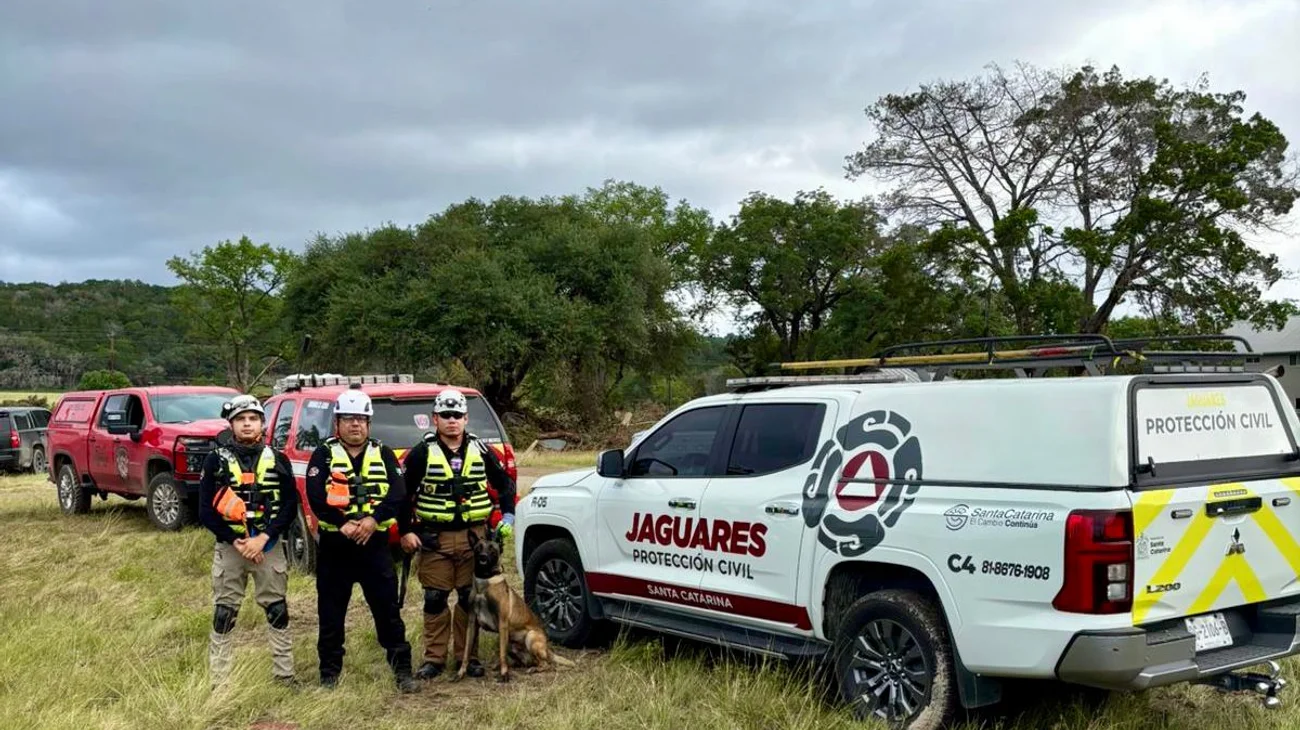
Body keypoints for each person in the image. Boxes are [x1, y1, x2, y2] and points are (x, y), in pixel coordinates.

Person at [398, 387, 517, 680]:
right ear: (434, 419)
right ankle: (434, 659)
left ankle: (470, 657)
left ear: (466, 418)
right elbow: (402, 495)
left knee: (468, 598)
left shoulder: (481, 450)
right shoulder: (422, 453)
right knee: (435, 597)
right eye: (446, 415)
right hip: (434, 537)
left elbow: (505, 484)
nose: (452, 420)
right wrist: (406, 531)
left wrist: (509, 516)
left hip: (473, 538)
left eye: (458, 415)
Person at [304, 388, 419, 693]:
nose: (355, 425)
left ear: (369, 423)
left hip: (375, 546)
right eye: (349, 419)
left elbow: (398, 493)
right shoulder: (324, 453)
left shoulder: (383, 453)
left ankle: (402, 672)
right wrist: (342, 523)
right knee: (330, 615)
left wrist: (373, 520)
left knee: (388, 612)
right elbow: (315, 495)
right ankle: (329, 676)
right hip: (335, 548)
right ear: (337, 423)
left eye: (361, 419)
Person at [198, 394, 300, 689]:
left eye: (253, 419)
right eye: (241, 419)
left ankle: (285, 674)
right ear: (231, 424)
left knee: (277, 609)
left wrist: (264, 538)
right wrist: (237, 540)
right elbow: (205, 509)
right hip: (231, 547)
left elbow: (289, 506)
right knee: (224, 612)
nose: (247, 424)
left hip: (268, 547)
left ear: (262, 424)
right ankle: (220, 680)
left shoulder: (278, 459)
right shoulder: (215, 460)